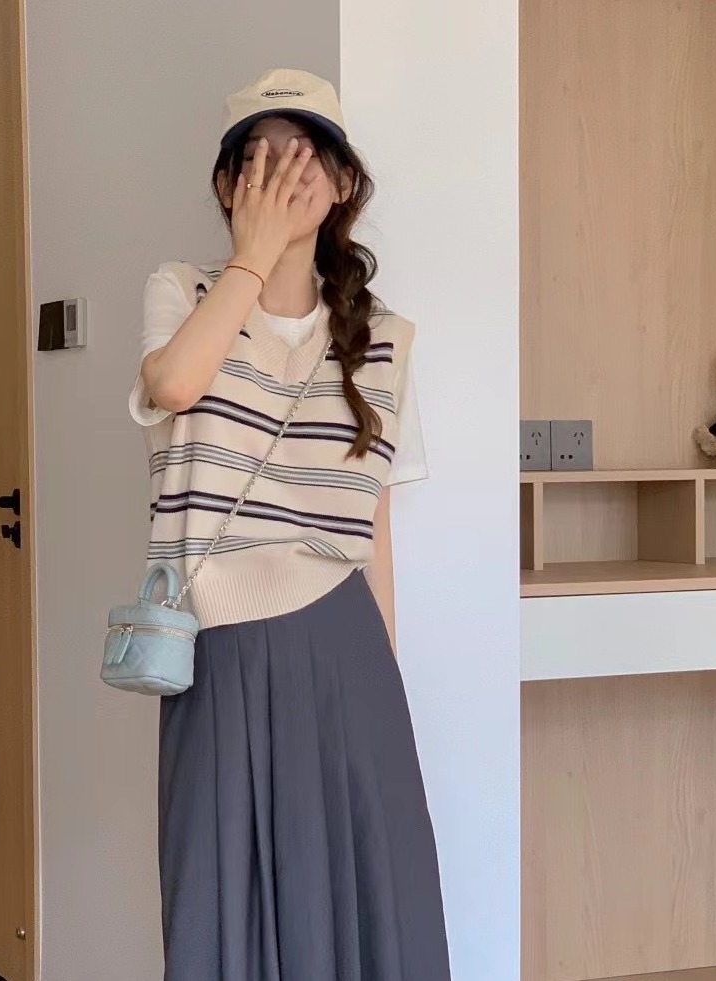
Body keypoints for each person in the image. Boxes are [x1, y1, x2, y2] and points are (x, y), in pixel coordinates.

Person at [128, 67, 451, 981]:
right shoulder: (181, 290)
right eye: (259, 156)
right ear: (228, 183)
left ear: (342, 183)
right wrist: (252, 256)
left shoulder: (383, 336)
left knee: (368, 888)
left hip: (344, 644)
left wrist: (386, 678)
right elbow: (173, 385)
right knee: (220, 892)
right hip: (221, 643)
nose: (282, 172)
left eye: (305, 154)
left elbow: (373, 523)